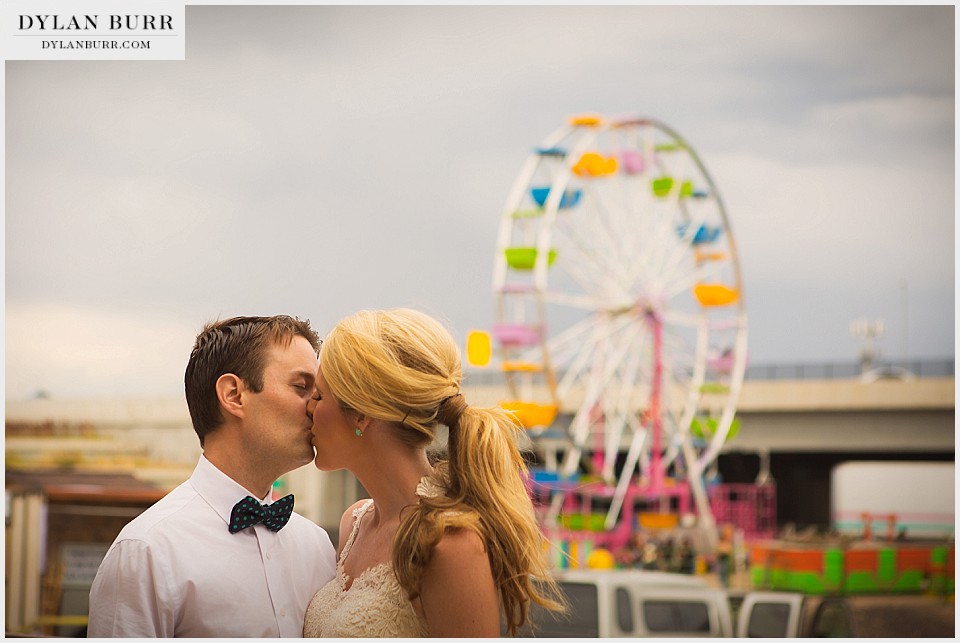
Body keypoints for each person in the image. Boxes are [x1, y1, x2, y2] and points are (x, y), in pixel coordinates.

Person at [302, 308, 564, 637]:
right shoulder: (353, 523)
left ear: (361, 414)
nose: (309, 407)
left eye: (320, 395)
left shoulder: (450, 543)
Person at [88, 315, 337, 637]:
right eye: (301, 387)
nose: (315, 407)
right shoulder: (146, 552)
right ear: (234, 395)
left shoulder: (317, 546)